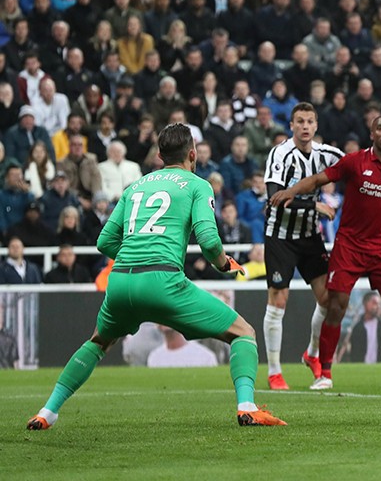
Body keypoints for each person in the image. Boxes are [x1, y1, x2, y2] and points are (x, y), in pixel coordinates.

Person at [27, 123, 285, 430]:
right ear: (193, 154)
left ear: (160, 155)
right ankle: (247, 407)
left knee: (98, 342)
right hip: (163, 281)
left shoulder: (135, 186)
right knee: (242, 332)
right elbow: (208, 239)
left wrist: (133, 253)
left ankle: (47, 411)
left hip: (121, 280)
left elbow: (103, 242)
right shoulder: (196, 184)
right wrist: (223, 264)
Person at [270, 115, 381, 389]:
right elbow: (317, 179)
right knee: (335, 306)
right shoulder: (355, 162)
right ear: (371, 134)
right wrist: (291, 191)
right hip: (349, 246)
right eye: (380, 128)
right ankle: (324, 372)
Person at [260, 102, 344, 391]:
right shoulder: (280, 154)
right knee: (279, 300)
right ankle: (274, 372)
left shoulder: (326, 154)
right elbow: (274, 197)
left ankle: (312, 354)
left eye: (310, 121)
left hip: (308, 236)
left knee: (327, 300)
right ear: (292, 125)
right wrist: (315, 205)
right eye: (300, 121)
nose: (305, 126)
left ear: (316, 126)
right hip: (280, 235)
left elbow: (358, 164)